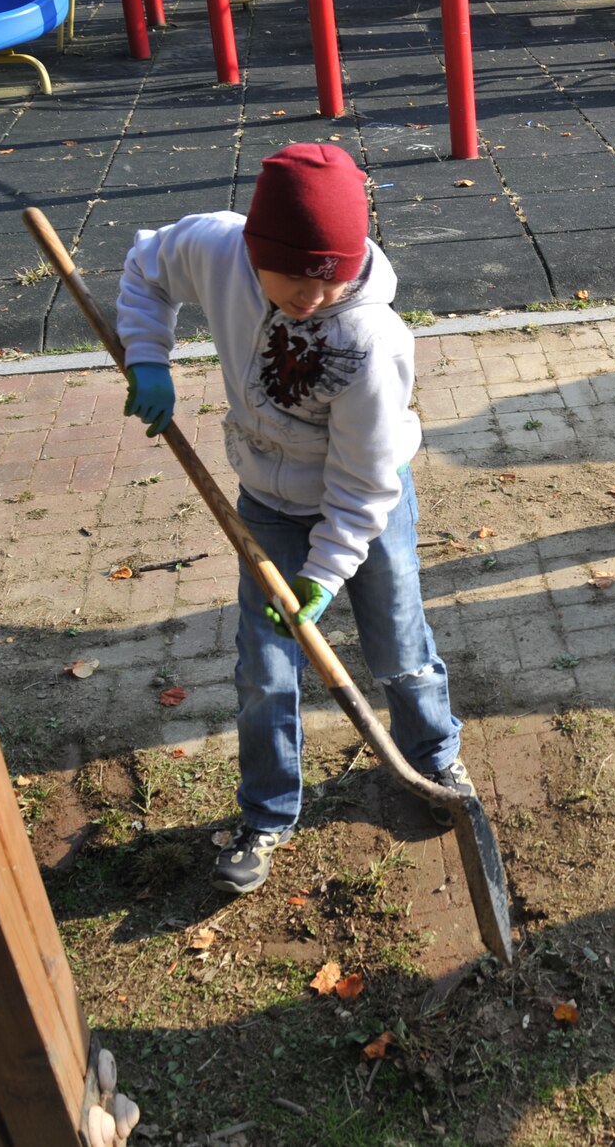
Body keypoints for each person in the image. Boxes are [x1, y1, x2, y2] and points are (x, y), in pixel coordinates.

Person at [115, 143, 469, 894]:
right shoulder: (217, 247)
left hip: (363, 511)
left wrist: (327, 571)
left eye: (331, 277)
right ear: (254, 250)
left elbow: (363, 481)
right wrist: (149, 356)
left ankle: (434, 756)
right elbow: (146, 266)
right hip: (266, 506)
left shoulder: (370, 342)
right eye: (294, 278)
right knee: (264, 668)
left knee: (397, 641)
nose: (312, 295)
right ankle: (268, 812)